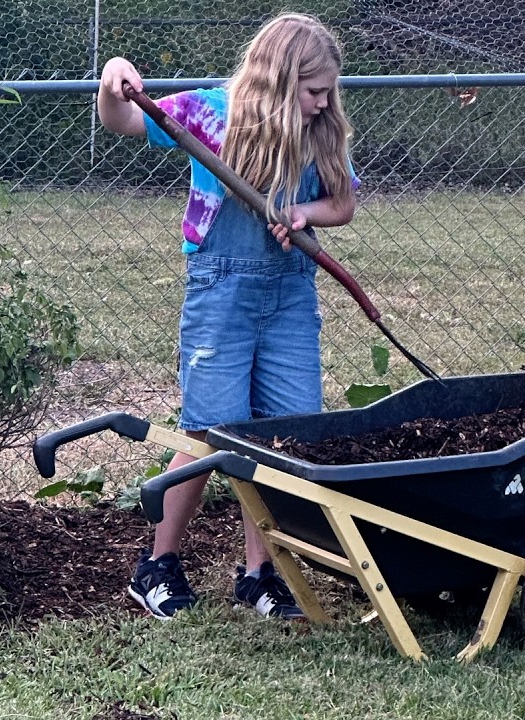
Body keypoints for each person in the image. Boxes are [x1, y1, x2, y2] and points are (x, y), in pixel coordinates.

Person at [96, 13, 359, 620]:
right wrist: (111, 83)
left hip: (290, 299)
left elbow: (343, 204)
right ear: (280, 77)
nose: (324, 103)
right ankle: (156, 566)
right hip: (222, 294)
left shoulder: (322, 133)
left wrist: (303, 214)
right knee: (209, 431)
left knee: (285, 435)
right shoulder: (212, 114)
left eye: (328, 92)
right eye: (314, 91)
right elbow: (126, 121)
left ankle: (260, 574)